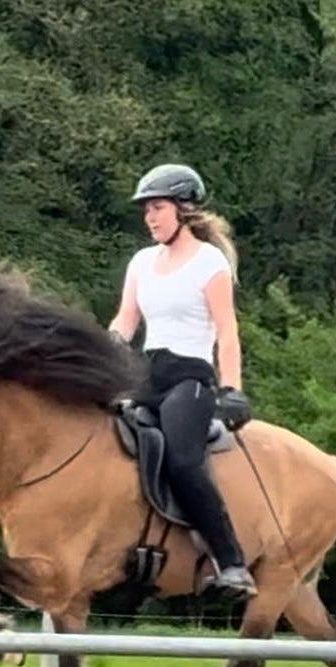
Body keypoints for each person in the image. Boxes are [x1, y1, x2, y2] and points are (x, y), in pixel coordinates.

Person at [108, 163, 257, 599]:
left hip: (189, 379)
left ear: (183, 209)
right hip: (147, 376)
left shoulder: (209, 262)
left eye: (157, 208)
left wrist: (232, 388)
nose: (150, 217)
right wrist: (104, 350)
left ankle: (231, 563)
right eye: (146, 210)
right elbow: (126, 319)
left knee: (182, 461)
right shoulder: (141, 262)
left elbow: (227, 330)